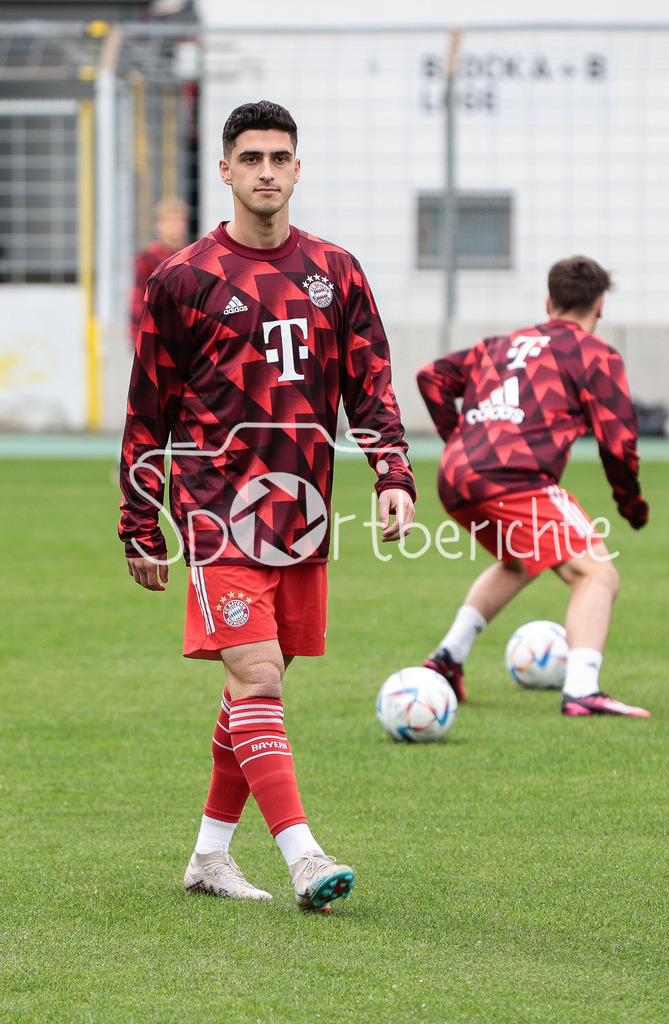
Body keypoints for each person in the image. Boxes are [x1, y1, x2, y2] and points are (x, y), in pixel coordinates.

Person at [119, 100, 416, 911]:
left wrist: (392, 474)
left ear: (296, 169)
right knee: (259, 676)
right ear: (224, 171)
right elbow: (149, 409)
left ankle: (210, 856)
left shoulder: (337, 271)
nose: (266, 172)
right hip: (218, 513)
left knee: (250, 689)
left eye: (279, 158)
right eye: (250, 158)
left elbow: (371, 385)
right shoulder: (184, 279)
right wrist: (140, 518)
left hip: (303, 514)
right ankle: (304, 857)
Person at [417, 255, 650, 717]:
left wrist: (462, 440)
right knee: (598, 574)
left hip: (456, 476)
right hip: (514, 478)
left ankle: (447, 657)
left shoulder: (501, 344)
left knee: (520, 561)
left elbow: (432, 376)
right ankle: (582, 689)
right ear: (599, 307)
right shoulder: (594, 354)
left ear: (549, 302)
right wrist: (630, 503)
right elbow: (618, 443)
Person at [128, 196, 190, 345]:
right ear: (159, 225)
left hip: (186, 338)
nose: (177, 226)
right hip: (155, 337)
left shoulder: (193, 257)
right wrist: (138, 339)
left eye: (180, 220)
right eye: (171, 221)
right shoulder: (147, 259)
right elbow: (138, 302)